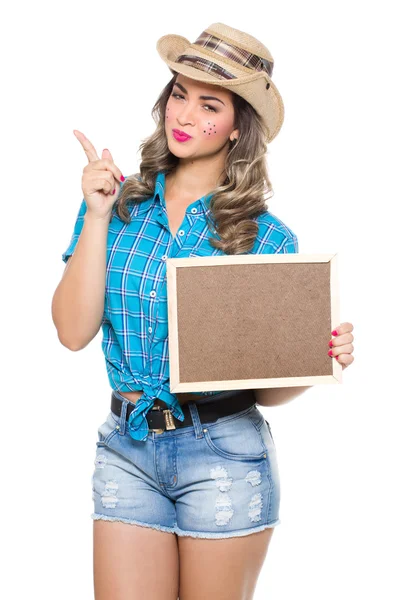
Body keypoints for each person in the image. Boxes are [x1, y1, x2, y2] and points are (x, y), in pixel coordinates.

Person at [52, 22, 355, 600]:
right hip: (127, 447)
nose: (184, 115)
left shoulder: (266, 238)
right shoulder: (119, 204)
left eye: (208, 103)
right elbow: (71, 332)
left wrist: (314, 360)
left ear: (239, 126)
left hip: (223, 454)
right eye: (178, 94)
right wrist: (94, 216)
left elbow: (265, 391)